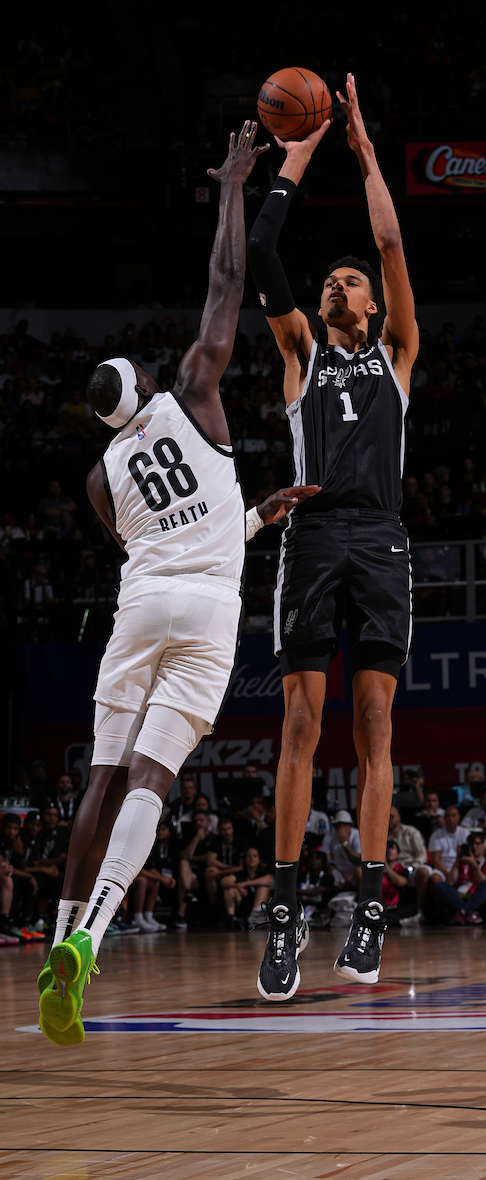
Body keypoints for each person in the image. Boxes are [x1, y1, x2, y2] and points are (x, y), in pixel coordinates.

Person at [37, 122, 272, 1045]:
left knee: (100, 775)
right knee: (153, 779)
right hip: (210, 612)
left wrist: (245, 520)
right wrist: (233, 185)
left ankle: (62, 941)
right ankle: (94, 928)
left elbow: (146, 541)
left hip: (141, 604)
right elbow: (226, 284)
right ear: (144, 385)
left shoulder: (100, 478)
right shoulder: (196, 389)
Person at [248, 74, 419, 997]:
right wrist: (298, 155)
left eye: (347, 278)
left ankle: (369, 905)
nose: (335, 283)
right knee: (302, 723)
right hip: (313, 536)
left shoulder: (396, 357)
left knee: (376, 722)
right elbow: (265, 247)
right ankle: (283, 918)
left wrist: (360, 149)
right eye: (330, 280)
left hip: (381, 539)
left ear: (372, 301)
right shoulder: (300, 355)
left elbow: (389, 238)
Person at [434, 830, 486, 925]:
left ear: (483, 845)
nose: (474, 847)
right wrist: (458, 859)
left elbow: (483, 882)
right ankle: (469, 912)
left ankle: (463, 911)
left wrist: (473, 864)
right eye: (471, 844)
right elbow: (450, 882)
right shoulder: (462, 862)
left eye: (478, 844)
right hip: (459, 897)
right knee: (440, 885)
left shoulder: (484, 863)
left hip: (477, 898)